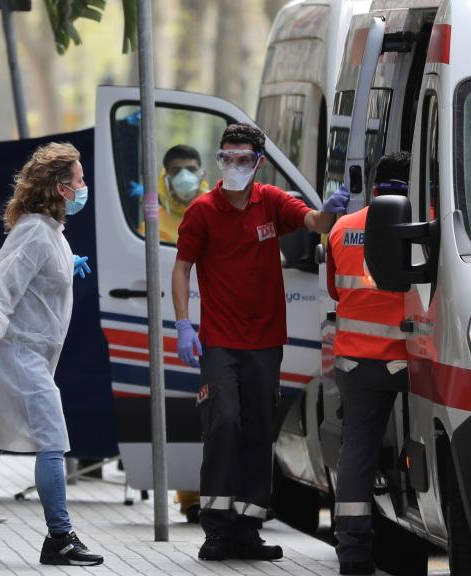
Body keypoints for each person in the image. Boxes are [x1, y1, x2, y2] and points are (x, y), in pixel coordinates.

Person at [171, 123, 349, 562]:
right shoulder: (203, 210)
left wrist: (332, 211)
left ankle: (248, 529)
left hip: (266, 342)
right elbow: (181, 267)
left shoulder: (270, 201)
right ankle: (216, 530)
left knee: (258, 431)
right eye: (227, 158)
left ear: (258, 163)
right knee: (223, 423)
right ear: (219, 159)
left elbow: (314, 222)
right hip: (220, 342)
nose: (234, 167)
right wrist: (182, 324)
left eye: (243, 160)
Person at [0, 142, 103, 567]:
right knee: (52, 440)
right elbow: (1, 285)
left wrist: (67, 264)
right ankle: (60, 537)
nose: (85, 187)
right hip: (17, 353)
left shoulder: (47, 231)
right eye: (79, 181)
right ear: (61, 188)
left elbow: (36, 268)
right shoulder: (33, 232)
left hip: (25, 353)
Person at [326, 152, 411, 576]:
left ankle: (353, 555)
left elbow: (337, 294)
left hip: (355, 362)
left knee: (356, 452)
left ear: (374, 186)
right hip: (412, 360)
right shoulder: (422, 227)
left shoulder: (341, 228)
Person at [135, 144, 211, 245]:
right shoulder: (153, 226)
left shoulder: (218, 214)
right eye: (177, 171)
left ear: (202, 176)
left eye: (191, 169)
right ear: (166, 179)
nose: (184, 176)